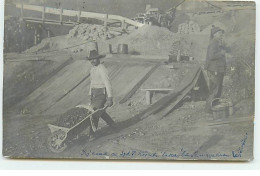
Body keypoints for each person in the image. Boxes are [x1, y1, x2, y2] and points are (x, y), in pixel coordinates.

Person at [87, 49, 119, 141]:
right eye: (91, 59)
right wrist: (90, 94)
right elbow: (92, 82)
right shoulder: (92, 69)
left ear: (98, 59)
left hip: (101, 93)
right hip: (94, 93)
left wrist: (110, 98)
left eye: (94, 59)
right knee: (100, 112)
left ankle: (92, 134)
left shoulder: (102, 68)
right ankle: (113, 125)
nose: (93, 61)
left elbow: (107, 82)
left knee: (95, 112)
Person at [205, 26, 231, 113]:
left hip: (218, 69)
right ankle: (209, 110)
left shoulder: (218, 42)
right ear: (215, 34)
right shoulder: (213, 43)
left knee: (218, 89)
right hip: (214, 69)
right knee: (214, 89)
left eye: (222, 33)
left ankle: (214, 108)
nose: (222, 35)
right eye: (220, 33)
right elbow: (211, 56)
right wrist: (221, 53)